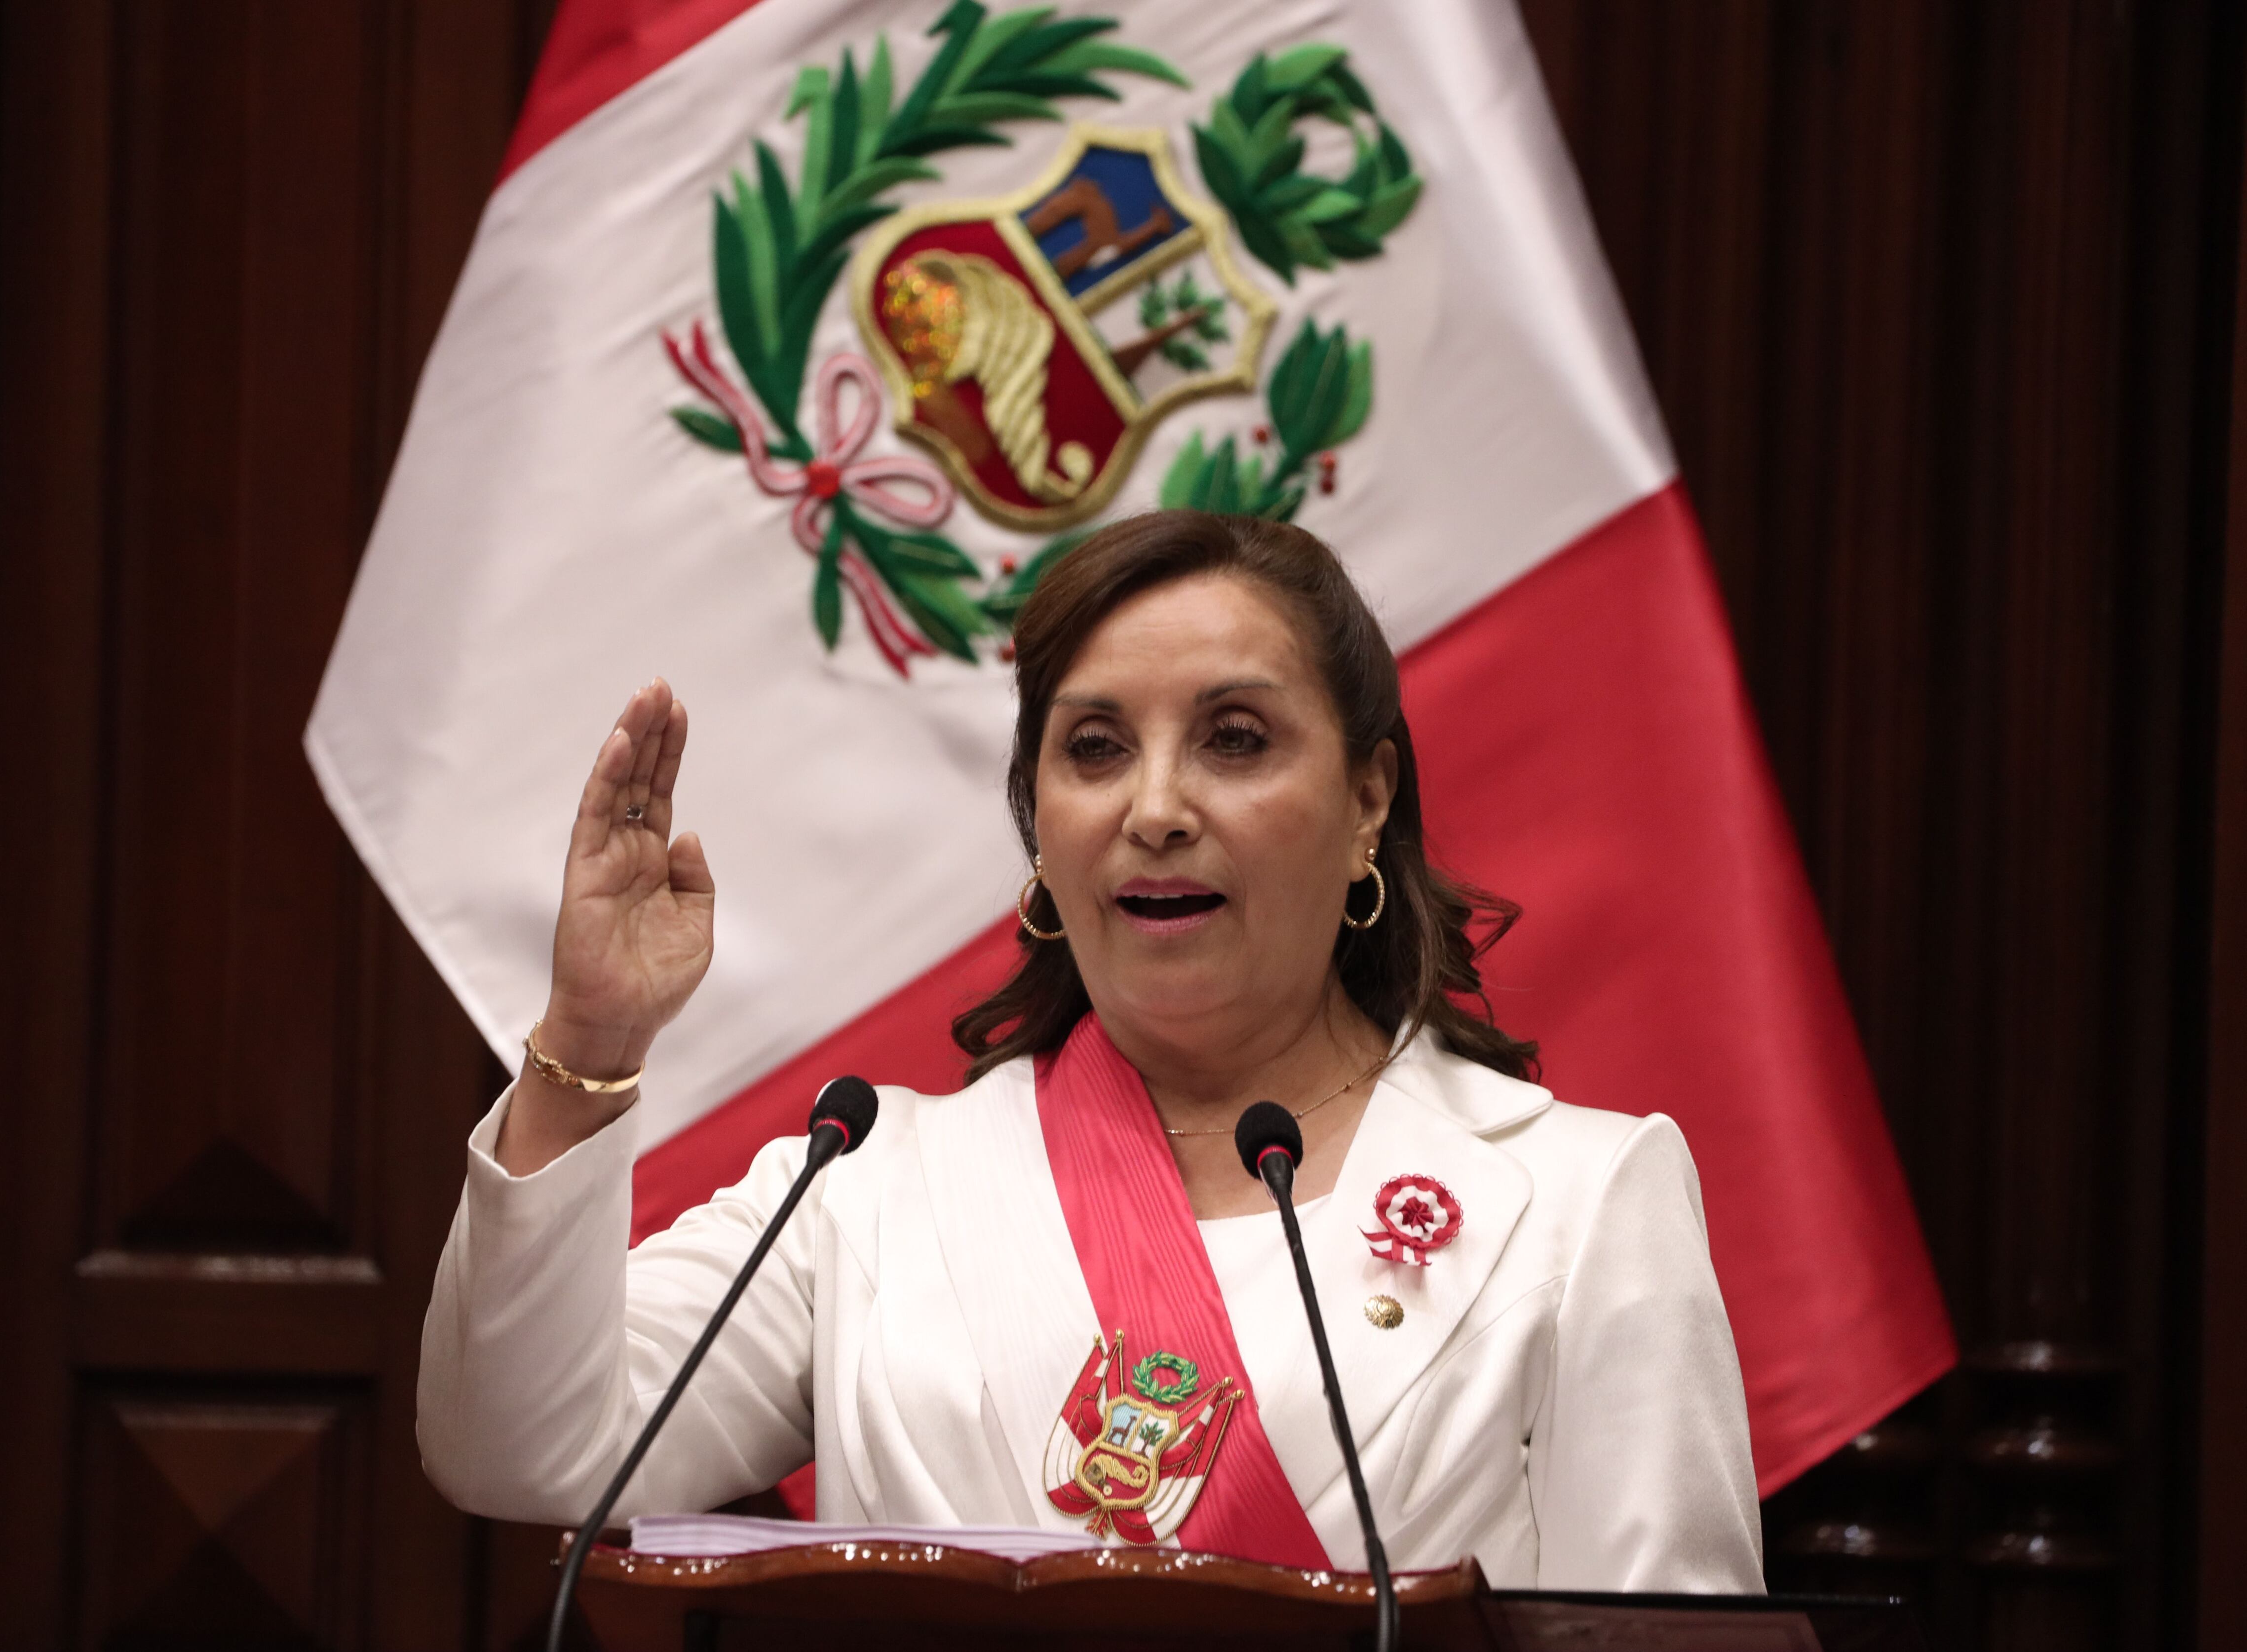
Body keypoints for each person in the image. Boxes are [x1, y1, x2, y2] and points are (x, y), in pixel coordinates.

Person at [416, 510, 1764, 1590]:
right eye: (1097, 750)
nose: (1157, 807)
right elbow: (524, 1450)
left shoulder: (1585, 1201)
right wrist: (588, 1041)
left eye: (1235, 741)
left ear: (1368, 800)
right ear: (1039, 833)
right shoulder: (870, 1184)